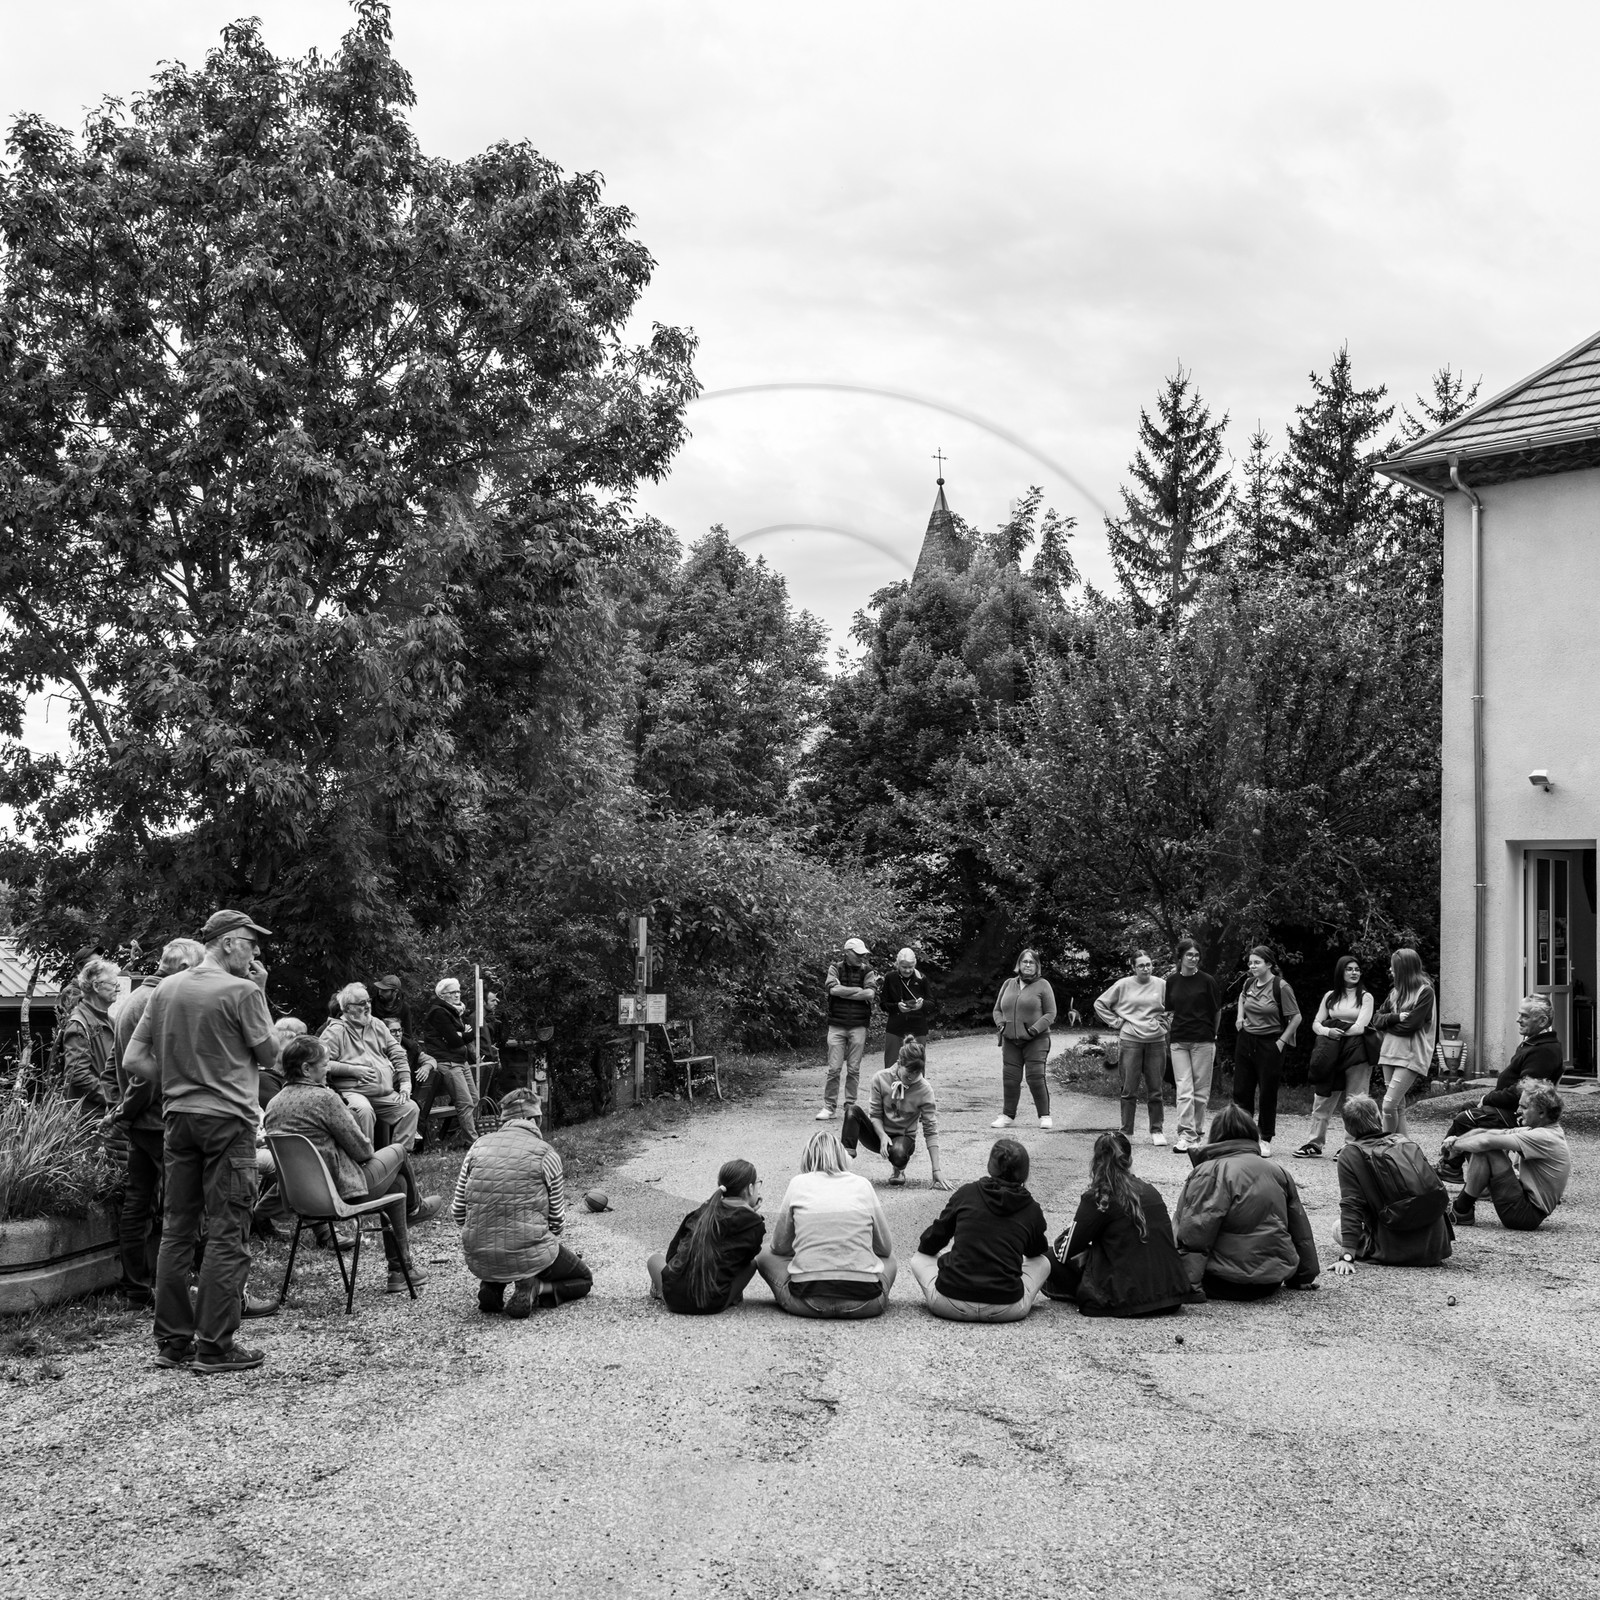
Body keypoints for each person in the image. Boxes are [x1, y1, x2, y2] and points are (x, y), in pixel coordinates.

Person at [124, 909, 281, 1374]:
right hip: (228, 1122)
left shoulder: (165, 989)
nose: (256, 952)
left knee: (176, 1229)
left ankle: (173, 1343)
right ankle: (215, 1346)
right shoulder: (242, 991)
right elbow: (271, 1055)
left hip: (177, 1120)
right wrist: (261, 991)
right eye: (251, 942)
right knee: (227, 1230)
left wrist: (180, 1082)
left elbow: (134, 1059)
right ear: (228, 942)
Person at [263, 1035, 435, 1293]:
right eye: (325, 1064)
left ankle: (401, 1271)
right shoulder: (325, 1099)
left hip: (301, 1198)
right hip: (341, 1193)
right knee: (399, 1151)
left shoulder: (274, 1104)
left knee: (397, 1185)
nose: (328, 1069)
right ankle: (415, 1210)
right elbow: (363, 1151)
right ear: (306, 1069)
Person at [109, 938, 205, 1305]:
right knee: (187, 1204)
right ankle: (197, 1286)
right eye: (198, 970)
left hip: (142, 1120)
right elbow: (146, 1074)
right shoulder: (158, 1001)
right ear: (182, 968)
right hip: (158, 1119)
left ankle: (136, 1288)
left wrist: (123, 1111)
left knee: (139, 1204)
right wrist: (126, 1111)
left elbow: (117, 1066)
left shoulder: (133, 998)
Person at [453, 1087, 592, 1316]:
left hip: (479, 1253)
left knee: (500, 1248)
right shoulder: (546, 1154)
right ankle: (536, 1287)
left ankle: (493, 1284)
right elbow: (557, 1221)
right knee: (584, 1279)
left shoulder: (477, 1147)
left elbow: (458, 1212)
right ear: (533, 1119)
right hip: (529, 1253)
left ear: (504, 1120)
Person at [1173, 1104, 1320, 1299]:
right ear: (1252, 1134)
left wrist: (1187, 1286)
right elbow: (1300, 1230)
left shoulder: (1210, 1172)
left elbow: (1196, 1231)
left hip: (1224, 1280)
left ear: (1216, 1135)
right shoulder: (1278, 1171)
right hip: (1271, 1282)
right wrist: (1303, 1277)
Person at [1047, 1131, 1195, 1316]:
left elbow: (1065, 1253)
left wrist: (1074, 1228)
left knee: (1048, 1257)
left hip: (1125, 1301)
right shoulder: (1151, 1191)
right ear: (1129, 1160)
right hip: (1171, 1296)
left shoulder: (1098, 1197)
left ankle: (1080, 1293)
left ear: (1095, 1162)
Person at [909, 1138, 1052, 1322]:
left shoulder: (967, 1193)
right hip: (1006, 1308)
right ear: (1025, 1172)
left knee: (919, 1258)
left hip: (950, 1303)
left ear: (990, 1166)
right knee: (1043, 1262)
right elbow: (1036, 1251)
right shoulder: (1031, 1207)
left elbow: (931, 1243)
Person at [757, 1131, 896, 1318]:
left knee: (764, 1253)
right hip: (864, 1303)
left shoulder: (798, 1183)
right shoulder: (863, 1185)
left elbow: (779, 1246)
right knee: (890, 1259)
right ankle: (870, 1288)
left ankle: (803, 1283)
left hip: (807, 1302)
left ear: (807, 1157)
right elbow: (885, 1248)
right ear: (842, 1155)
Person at [1435, 995, 1563, 1183]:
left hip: (1521, 1113)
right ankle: (1452, 1167)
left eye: (1525, 1016)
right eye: (1520, 1014)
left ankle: (1467, 1172)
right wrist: (1488, 1099)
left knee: (1466, 1119)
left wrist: (1487, 1099)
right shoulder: (1536, 1043)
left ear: (1542, 1021)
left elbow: (1522, 1093)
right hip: (1510, 1107)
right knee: (1467, 1108)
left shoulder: (1543, 1051)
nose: (1518, 1019)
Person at [1325, 1095, 1452, 1275]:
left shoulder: (1350, 1154)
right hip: (1435, 1248)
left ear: (1347, 1127)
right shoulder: (1403, 1141)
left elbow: (1352, 1205)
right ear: (1378, 1118)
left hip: (1394, 1252)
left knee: (1337, 1228)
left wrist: (1347, 1256)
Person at [1445, 1083, 1571, 1232]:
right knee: (1488, 1145)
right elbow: (1487, 1133)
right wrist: (1456, 1140)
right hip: (1525, 1207)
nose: (1518, 1111)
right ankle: (1461, 1209)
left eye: (1524, 1107)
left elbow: (1486, 1142)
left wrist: (1455, 1146)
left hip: (1525, 1215)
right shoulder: (1540, 1131)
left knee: (1487, 1150)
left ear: (1542, 1112)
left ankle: (1460, 1210)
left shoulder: (1544, 1137)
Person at [648, 1159, 767, 1315]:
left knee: (654, 1259)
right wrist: (752, 1215)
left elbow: (671, 1256)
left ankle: (662, 1292)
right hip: (711, 1303)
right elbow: (745, 1259)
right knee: (752, 1263)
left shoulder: (701, 1212)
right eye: (758, 1184)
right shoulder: (754, 1224)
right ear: (750, 1188)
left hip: (674, 1299)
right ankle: (733, 1296)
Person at [320, 983, 419, 1153]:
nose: (367, 1006)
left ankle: (398, 1157)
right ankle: (367, 1159)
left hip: (383, 1092)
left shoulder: (377, 1025)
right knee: (364, 1111)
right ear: (348, 1008)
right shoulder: (335, 1031)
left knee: (410, 1108)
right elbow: (322, 1063)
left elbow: (398, 1053)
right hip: (353, 1091)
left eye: (368, 1001)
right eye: (361, 1003)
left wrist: (405, 1083)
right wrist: (352, 1070)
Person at [1295, 955, 1376, 1159]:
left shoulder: (1365, 997)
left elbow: (1360, 1027)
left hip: (1357, 1052)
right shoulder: (1330, 996)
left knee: (1355, 1099)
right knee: (1323, 1096)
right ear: (1341, 972)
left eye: (1357, 969)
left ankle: (1352, 1145)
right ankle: (1314, 1143)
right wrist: (1328, 1031)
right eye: (1349, 969)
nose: (1354, 972)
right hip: (1331, 1050)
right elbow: (1316, 1023)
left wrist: (1335, 1028)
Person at [841, 1037, 950, 1189]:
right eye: (908, 1074)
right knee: (852, 1111)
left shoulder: (925, 1090)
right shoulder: (880, 1078)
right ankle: (842, 1168)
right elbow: (875, 1114)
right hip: (878, 1134)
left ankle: (899, 1169)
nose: (911, 1078)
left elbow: (930, 1129)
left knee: (898, 1154)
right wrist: (882, 1135)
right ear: (899, 1063)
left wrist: (936, 1170)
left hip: (903, 1138)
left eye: (917, 1073)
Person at [1231, 946, 1300, 1157]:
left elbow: (1296, 1017)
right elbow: (1242, 998)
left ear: (1269, 964)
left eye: (1257, 962)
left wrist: (1281, 1041)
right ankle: (1243, 1136)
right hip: (1246, 1041)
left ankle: (1265, 1138)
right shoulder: (1249, 983)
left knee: (1267, 1093)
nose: (1252, 966)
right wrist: (1240, 1018)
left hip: (1270, 1043)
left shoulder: (1281, 987)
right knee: (1241, 1091)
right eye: (1250, 962)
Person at [1095, 951, 1169, 1146]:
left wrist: (1166, 1023)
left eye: (1148, 964)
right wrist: (1116, 1022)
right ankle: (1126, 1131)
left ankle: (1157, 1130)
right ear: (1133, 968)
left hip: (1156, 1040)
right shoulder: (1123, 985)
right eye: (1141, 965)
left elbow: (1175, 1007)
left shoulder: (1162, 984)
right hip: (1131, 1040)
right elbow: (1100, 1004)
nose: (1146, 968)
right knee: (1129, 1089)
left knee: (1156, 1089)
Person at [1164, 940, 1222, 1154]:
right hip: (1179, 1041)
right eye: (1189, 955)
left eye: (1196, 955)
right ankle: (1185, 1135)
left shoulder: (1207, 981)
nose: (1193, 958)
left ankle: (1196, 1134)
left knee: (1200, 1090)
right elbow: (1169, 1011)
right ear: (1180, 957)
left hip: (1203, 1040)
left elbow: (1217, 1010)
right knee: (1184, 1089)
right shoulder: (1172, 981)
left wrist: (1213, 1034)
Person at [1372, 948, 1436, 1138]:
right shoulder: (1395, 992)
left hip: (1411, 1055)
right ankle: (1404, 1148)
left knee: (1388, 1105)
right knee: (1398, 1106)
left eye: (1393, 967)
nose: (1390, 970)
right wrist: (1396, 1017)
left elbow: (1411, 1026)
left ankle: (1384, 1144)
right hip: (1389, 1053)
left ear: (1403, 969)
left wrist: (1387, 1026)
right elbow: (1376, 1019)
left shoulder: (1425, 992)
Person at [992, 947, 1056, 1129]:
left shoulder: (1043, 985)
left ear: (1037, 966)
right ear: (1019, 964)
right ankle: (1007, 1116)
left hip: (1036, 1040)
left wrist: (1033, 1030)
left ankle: (1045, 1116)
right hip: (1010, 1040)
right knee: (1010, 1079)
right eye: (1024, 961)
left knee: (1035, 1077)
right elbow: (997, 1010)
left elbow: (1051, 1013)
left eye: (1031, 962)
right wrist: (1001, 1025)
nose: (1027, 965)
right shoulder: (1008, 984)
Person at [817, 937, 880, 1121]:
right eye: (858, 954)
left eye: (863, 954)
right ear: (847, 953)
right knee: (834, 1069)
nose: (861, 957)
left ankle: (850, 1107)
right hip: (836, 1025)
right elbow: (833, 990)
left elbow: (870, 993)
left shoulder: (868, 970)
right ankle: (829, 1107)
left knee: (853, 1069)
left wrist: (844, 990)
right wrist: (857, 991)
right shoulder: (835, 968)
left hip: (858, 1025)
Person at [421, 976, 480, 1147]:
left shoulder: (455, 1012)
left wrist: (462, 1035)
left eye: (458, 991)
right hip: (448, 1062)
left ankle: (464, 1137)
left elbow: (464, 1035)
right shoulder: (438, 1012)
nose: (457, 995)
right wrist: (464, 1034)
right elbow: (454, 1041)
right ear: (442, 995)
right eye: (452, 992)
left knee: (474, 1098)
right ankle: (473, 1142)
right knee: (465, 1102)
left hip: (461, 1061)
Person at [60, 956, 121, 1118]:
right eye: (113, 985)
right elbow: (77, 1075)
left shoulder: (111, 1021)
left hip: (107, 1112)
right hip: (91, 1117)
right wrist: (114, 1099)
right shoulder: (79, 1025)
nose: (117, 989)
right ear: (96, 986)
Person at [878, 947, 932, 1070]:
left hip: (918, 1027)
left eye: (910, 967)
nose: (907, 970)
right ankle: (893, 1084)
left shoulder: (922, 978)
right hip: (895, 1028)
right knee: (892, 1067)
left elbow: (932, 1003)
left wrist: (921, 1005)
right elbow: (883, 1004)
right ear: (898, 964)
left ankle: (916, 1084)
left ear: (915, 964)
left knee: (916, 1066)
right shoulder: (890, 977)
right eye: (904, 967)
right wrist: (897, 1007)